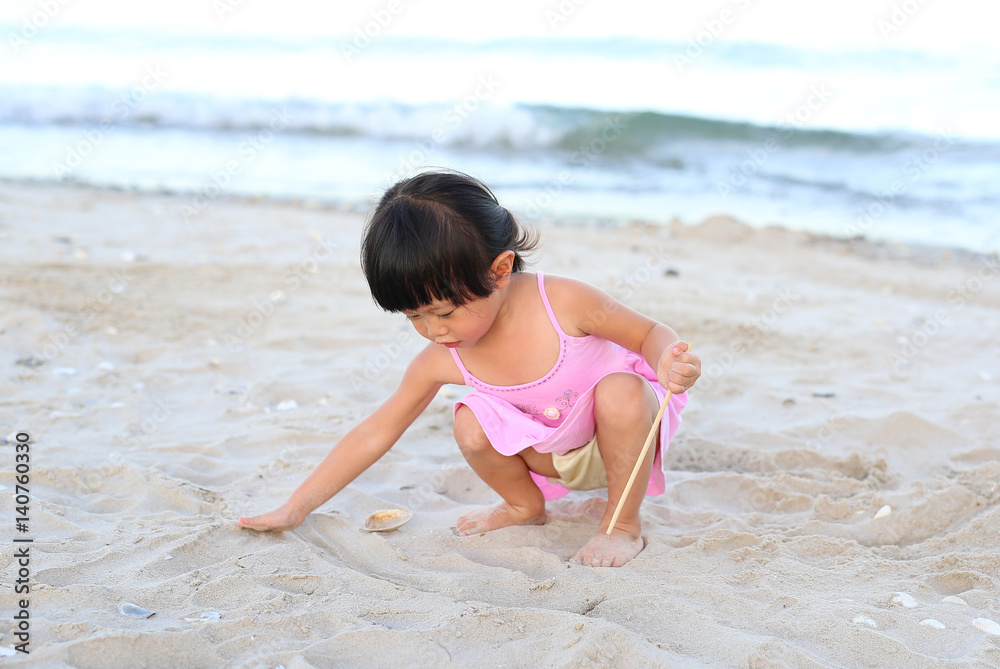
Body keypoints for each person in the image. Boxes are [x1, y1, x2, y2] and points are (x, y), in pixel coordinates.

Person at [237, 170, 701, 567]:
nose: (432, 330)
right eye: (413, 317)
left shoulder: (563, 302)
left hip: (621, 443)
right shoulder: (443, 357)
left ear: (499, 271)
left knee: (621, 388)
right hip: (548, 455)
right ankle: (524, 505)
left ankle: (621, 525)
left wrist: (667, 358)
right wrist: (295, 508)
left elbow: (648, 333)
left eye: (443, 312)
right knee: (469, 420)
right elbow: (375, 431)